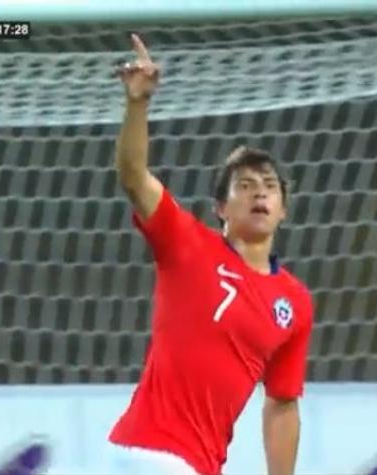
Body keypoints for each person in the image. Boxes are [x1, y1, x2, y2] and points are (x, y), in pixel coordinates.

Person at [107, 35, 314, 475]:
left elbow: (282, 402)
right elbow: (133, 175)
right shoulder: (187, 243)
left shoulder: (294, 302)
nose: (259, 193)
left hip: (195, 463)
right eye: (245, 185)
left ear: (283, 210)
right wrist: (138, 104)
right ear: (221, 207)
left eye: (270, 186)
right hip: (150, 452)